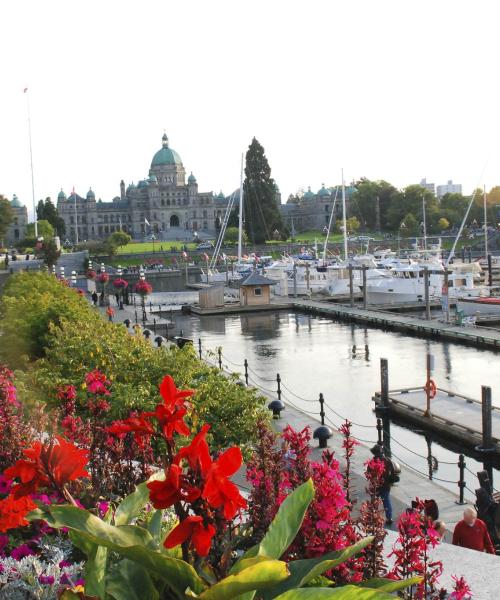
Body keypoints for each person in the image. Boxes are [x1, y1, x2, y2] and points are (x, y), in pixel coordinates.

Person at [370, 444, 395, 526]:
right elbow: (393, 472)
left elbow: (368, 473)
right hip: (386, 485)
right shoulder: (388, 460)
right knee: (386, 501)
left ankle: (375, 518)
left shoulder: (372, 461)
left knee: (375, 502)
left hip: (376, 486)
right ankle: (389, 518)